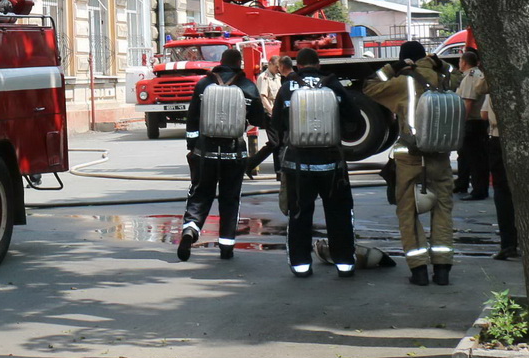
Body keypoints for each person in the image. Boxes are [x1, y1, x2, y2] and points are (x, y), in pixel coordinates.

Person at [364, 40, 457, 286]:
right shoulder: (444, 79)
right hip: (440, 155)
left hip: (410, 157)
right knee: (443, 210)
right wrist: (440, 63)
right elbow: (460, 76)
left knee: (408, 212)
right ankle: (443, 269)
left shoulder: (403, 82)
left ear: (406, 59)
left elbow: (370, 86)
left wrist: (393, 68)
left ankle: (419, 271)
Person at [177, 49, 271, 262]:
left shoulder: (203, 85)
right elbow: (258, 119)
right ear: (239, 63)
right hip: (233, 152)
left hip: (205, 152)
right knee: (230, 198)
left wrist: (193, 145)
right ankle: (226, 246)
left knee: (201, 193)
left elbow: (191, 119)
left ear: (221, 62)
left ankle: (190, 230)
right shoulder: (247, 86)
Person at [272, 48, 357, 278]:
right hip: (332, 166)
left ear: (298, 66)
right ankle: (345, 264)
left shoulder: (288, 87)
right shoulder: (333, 84)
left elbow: (276, 125)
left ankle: (301, 266)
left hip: (297, 167)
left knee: (299, 216)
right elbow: (355, 120)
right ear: (318, 65)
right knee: (339, 215)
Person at [480, 90, 518, 259]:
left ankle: (508, 243)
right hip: (525, 140)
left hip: (498, 138)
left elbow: (484, 114)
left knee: (502, 192)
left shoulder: (495, 88)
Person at [454, 49, 490, 200]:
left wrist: (461, 123)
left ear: (464, 62)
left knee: (475, 159)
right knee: (465, 156)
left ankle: (478, 190)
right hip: (478, 123)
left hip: (472, 122)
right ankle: (462, 184)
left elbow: (468, 101)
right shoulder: (478, 74)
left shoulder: (470, 77)